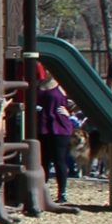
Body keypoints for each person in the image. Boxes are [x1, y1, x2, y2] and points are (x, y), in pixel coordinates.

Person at [34, 64, 80, 206]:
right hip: (42, 126)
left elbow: (80, 99)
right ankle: (42, 191)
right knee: (43, 161)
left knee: (59, 160)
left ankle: (62, 193)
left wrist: (69, 112)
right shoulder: (37, 84)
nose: (47, 71)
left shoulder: (62, 85)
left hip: (60, 127)